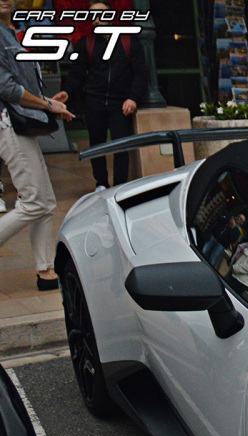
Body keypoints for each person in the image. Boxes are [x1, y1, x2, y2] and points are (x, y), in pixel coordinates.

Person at [0, 0, 75, 291]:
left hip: (22, 121)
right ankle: (44, 269)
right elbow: (6, 88)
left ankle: (46, 272)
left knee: (44, 203)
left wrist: (48, 103)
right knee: (33, 201)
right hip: (8, 123)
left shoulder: (14, 32)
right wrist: (47, 104)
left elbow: (23, 85)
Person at [63, 1, 146, 189]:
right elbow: (76, 74)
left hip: (121, 104)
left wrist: (133, 97)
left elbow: (141, 72)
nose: (97, 18)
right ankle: (101, 183)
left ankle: (119, 186)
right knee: (96, 146)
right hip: (94, 103)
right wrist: (67, 92)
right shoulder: (86, 43)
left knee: (121, 146)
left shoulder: (128, 42)